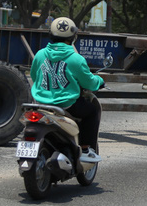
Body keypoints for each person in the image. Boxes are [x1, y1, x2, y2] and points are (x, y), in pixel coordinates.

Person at [30, 17, 104, 163]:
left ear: (50, 35)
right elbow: (89, 82)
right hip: (66, 105)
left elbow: (34, 75)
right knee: (92, 111)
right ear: (73, 37)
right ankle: (84, 149)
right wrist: (100, 81)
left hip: (40, 104)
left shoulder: (39, 55)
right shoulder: (76, 59)